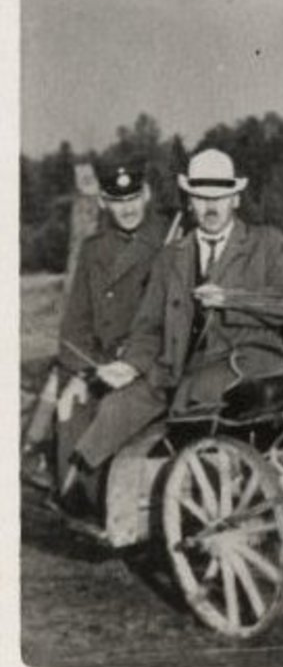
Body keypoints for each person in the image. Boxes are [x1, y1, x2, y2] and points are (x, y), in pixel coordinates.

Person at [66, 149, 283, 505]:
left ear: (235, 199)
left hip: (242, 364)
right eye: (201, 197)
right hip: (174, 369)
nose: (211, 206)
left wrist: (232, 298)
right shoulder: (171, 256)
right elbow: (148, 327)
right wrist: (130, 365)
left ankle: (192, 492)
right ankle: (89, 494)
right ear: (190, 201)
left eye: (219, 197)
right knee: (115, 406)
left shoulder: (265, 243)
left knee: (195, 392)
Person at [21, 161, 168, 494]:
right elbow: (76, 322)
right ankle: (55, 477)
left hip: (144, 360)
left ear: (146, 194)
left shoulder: (170, 242)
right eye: (117, 200)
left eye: (133, 197)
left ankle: (86, 494)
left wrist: (130, 363)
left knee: (92, 413)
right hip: (98, 360)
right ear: (103, 202)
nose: (127, 208)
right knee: (67, 400)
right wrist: (82, 370)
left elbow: (171, 322)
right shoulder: (93, 249)